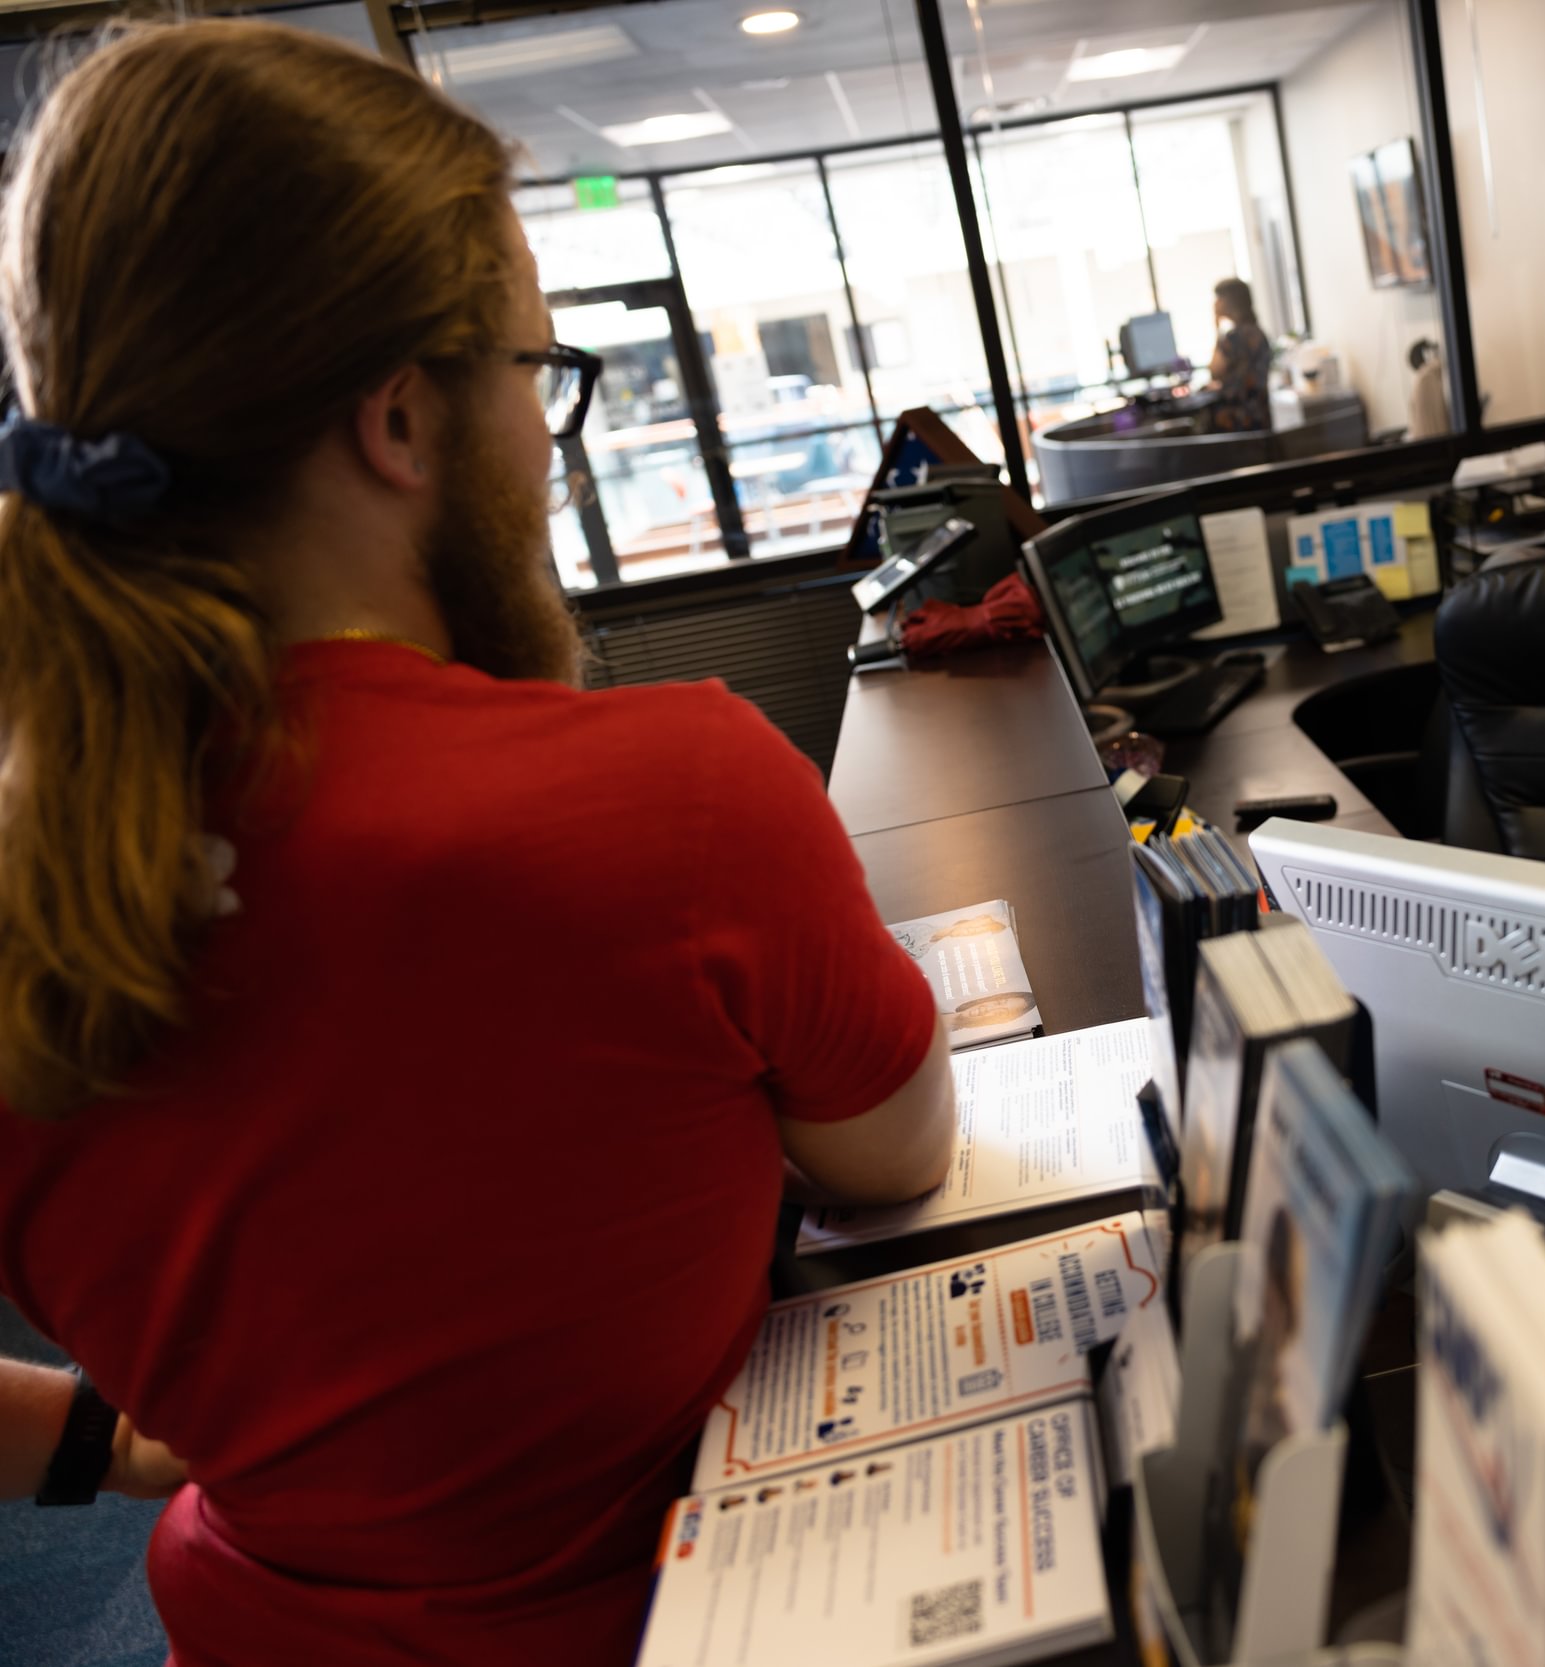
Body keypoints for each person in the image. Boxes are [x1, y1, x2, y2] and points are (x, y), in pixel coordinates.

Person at [0, 22, 954, 1666]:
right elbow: (898, 1159)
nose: (547, 432)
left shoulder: (35, 877)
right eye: (537, 372)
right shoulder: (683, 797)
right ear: (398, 421)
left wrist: (140, 1438)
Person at [1205, 277, 1273, 433]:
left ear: (1228, 301)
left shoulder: (1233, 337)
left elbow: (1214, 371)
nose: (1215, 303)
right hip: (1260, 417)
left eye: (1218, 298)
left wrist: (1216, 328)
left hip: (1236, 421)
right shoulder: (1258, 333)